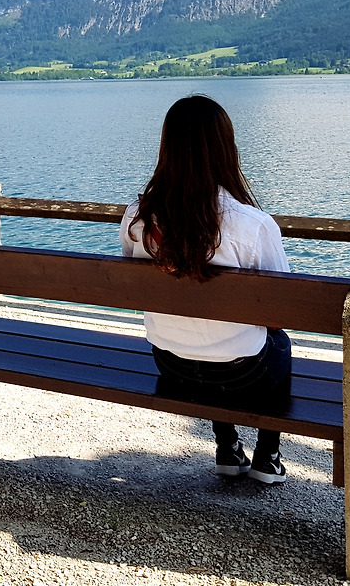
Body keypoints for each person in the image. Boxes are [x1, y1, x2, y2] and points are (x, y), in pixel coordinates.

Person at [119, 94, 292, 484]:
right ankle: (268, 456)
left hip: (171, 363)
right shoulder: (253, 225)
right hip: (245, 374)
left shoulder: (137, 218)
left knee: (205, 332)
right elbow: (281, 310)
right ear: (225, 148)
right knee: (278, 343)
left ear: (167, 147)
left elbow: (133, 282)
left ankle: (227, 448)